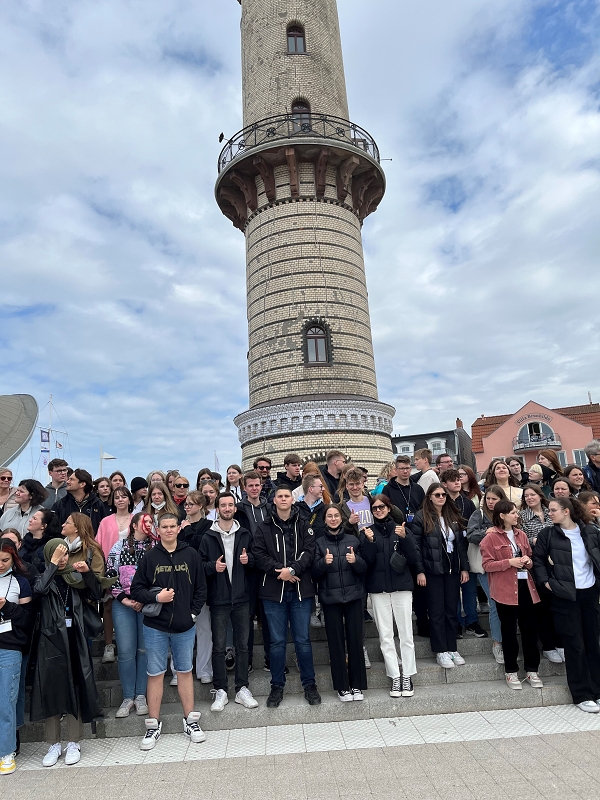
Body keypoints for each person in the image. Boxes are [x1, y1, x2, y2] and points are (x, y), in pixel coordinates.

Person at [130, 513, 207, 750]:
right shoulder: (150, 557)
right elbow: (136, 590)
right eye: (165, 527)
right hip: (156, 627)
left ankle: (190, 721)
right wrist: (156, 597)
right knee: (155, 673)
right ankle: (153, 725)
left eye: (173, 526)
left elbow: (201, 589)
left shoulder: (191, 554)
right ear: (159, 530)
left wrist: (192, 614)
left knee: (184, 671)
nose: (170, 530)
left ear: (178, 528)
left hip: (184, 626)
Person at [31, 538, 104, 768]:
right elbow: (39, 590)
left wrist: (88, 573)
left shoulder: (74, 575)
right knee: (51, 688)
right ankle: (53, 743)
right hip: (51, 640)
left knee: (76, 686)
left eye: (64, 554)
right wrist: (51, 565)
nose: (62, 559)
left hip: (75, 638)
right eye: (57, 554)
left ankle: (74, 741)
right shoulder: (43, 575)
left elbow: (97, 594)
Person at [253, 486, 321, 708]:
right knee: (277, 642)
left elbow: (309, 553)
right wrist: (280, 571)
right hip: (273, 593)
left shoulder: (303, 524)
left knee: (302, 640)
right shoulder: (263, 527)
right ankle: (277, 686)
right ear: (274, 500)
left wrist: (292, 571)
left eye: (287, 496)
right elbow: (259, 555)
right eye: (279, 496)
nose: (283, 499)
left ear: (293, 499)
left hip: (301, 592)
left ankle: (309, 685)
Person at [533, 497, 600, 713]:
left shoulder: (590, 531)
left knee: (593, 643)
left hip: (589, 593)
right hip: (564, 596)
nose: (549, 513)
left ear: (567, 511)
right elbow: (538, 561)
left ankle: (597, 691)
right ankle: (582, 694)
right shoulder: (548, 534)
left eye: (553, 510)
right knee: (574, 645)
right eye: (549, 510)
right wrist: (547, 583)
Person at [200, 493, 258, 711]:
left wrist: (248, 559)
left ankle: (242, 688)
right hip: (219, 599)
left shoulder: (244, 534)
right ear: (217, 508)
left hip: (242, 598)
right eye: (223, 505)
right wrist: (211, 568)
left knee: (243, 646)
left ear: (235, 508)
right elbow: (200, 566)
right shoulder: (208, 536)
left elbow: (256, 560)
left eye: (230, 505)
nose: (227, 508)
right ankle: (221, 690)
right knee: (219, 646)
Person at [361, 495, 421, 698]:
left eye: (381, 507)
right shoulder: (367, 532)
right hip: (378, 589)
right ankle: (395, 676)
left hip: (401, 587)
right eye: (374, 508)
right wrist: (368, 542)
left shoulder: (401, 528)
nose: (378, 510)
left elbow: (414, 558)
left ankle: (408, 675)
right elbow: (366, 562)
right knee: (385, 636)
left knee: (406, 634)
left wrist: (405, 538)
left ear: (388, 507)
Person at [480, 500, 542, 691]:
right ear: (502, 515)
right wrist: (509, 562)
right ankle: (511, 671)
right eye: (513, 513)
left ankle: (532, 670)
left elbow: (530, 557)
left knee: (530, 630)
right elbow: (487, 565)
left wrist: (527, 561)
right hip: (504, 589)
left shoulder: (521, 534)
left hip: (525, 587)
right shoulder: (490, 538)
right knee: (509, 632)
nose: (517, 515)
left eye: (517, 512)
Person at [313, 504, 368, 702]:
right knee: (336, 643)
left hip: (353, 597)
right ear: (325, 519)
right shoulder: (319, 543)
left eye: (336, 515)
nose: (334, 519)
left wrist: (355, 561)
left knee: (354, 641)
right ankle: (342, 686)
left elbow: (364, 569)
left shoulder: (353, 540)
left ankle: (357, 685)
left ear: (341, 518)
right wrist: (323, 563)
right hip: (330, 599)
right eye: (330, 516)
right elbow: (314, 573)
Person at [411, 483, 469, 668]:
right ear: (429, 497)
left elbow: (460, 544)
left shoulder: (452, 515)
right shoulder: (422, 517)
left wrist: (464, 568)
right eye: (437, 494)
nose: (442, 497)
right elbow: (416, 547)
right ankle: (440, 650)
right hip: (432, 570)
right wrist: (420, 571)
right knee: (436, 611)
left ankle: (452, 647)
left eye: (444, 494)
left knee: (451, 610)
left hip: (451, 569)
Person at [106, 513, 154, 719]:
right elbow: (110, 575)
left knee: (144, 650)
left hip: (148, 605)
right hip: (123, 604)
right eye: (147, 522)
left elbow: (158, 576)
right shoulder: (118, 547)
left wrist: (145, 598)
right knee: (126, 651)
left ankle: (141, 695)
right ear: (134, 525)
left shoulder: (155, 548)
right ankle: (128, 697)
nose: (150, 525)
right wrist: (125, 599)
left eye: (152, 522)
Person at [0, 539, 33, 776]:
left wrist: (5, 607)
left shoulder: (20, 583)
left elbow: (27, 619)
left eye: (5, 560)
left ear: (14, 559)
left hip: (10, 647)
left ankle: (7, 752)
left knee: (6, 702)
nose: (1, 565)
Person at [440, 469, 485, 638]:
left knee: (470, 589)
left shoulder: (467, 503)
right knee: (452, 591)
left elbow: (473, 526)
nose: (457, 483)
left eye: (458, 479)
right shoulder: (441, 502)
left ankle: (472, 621)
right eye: (452, 480)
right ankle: (457, 623)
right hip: (449, 551)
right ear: (444, 484)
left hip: (467, 549)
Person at [466, 486, 507, 663]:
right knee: (495, 603)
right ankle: (497, 643)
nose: (490, 502)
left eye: (494, 499)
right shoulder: (479, 514)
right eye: (488, 499)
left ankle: (508, 639)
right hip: (486, 566)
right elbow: (471, 535)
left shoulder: (508, 513)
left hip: (507, 566)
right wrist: (487, 533)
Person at [97, 487, 135, 665]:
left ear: (129, 499)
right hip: (111, 569)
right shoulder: (105, 521)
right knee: (109, 605)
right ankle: (109, 645)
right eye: (117, 497)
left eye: (123, 496)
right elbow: (98, 545)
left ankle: (132, 643)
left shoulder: (136, 518)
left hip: (133, 571)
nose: (120, 500)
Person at [52, 469, 109, 534]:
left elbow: (104, 529)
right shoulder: (60, 505)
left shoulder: (97, 504)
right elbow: (53, 530)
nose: (67, 482)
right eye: (68, 479)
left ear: (82, 484)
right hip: (66, 543)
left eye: (72, 479)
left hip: (91, 543)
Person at [382, 455, 425, 522]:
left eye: (407, 468)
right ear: (396, 470)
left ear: (410, 469)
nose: (405, 471)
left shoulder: (418, 489)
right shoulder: (387, 489)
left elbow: (424, 510)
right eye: (402, 468)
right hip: (397, 529)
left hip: (417, 529)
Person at [20, 508, 61, 574]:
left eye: (34, 519)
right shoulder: (24, 542)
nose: (30, 520)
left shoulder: (50, 546)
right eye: (32, 517)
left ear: (43, 526)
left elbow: (49, 568)